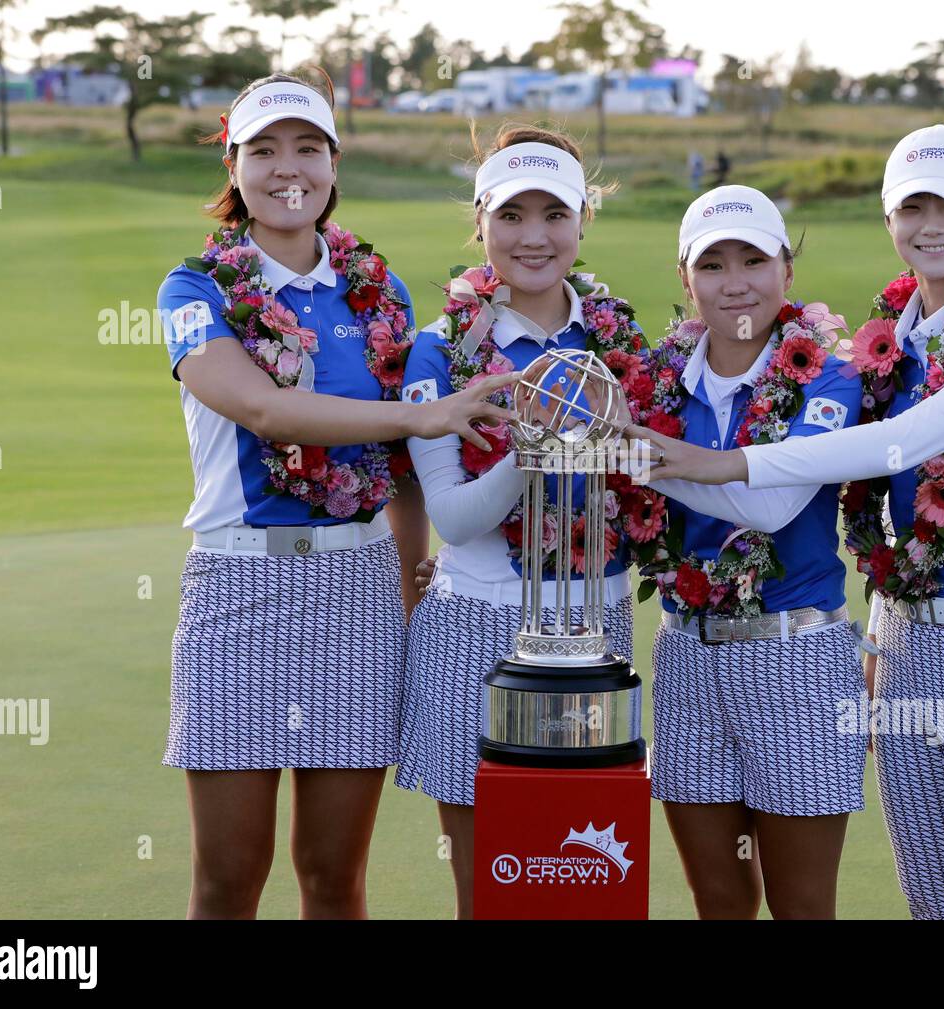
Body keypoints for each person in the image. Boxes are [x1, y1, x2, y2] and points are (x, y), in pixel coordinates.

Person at [631, 125, 944, 920]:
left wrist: (713, 462)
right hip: (906, 642)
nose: (931, 223)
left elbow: (905, 440)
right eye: (913, 204)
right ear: (889, 221)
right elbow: (879, 498)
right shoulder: (894, 345)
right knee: (934, 900)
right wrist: (880, 631)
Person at [157, 68, 516, 920]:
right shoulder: (194, 290)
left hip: (357, 590)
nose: (290, 168)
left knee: (332, 875)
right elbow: (257, 405)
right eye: (265, 150)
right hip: (237, 587)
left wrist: (410, 572)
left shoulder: (378, 292)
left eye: (308, 148)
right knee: (228, 877)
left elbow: (395, 468)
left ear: (333, 162)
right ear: (235, 169)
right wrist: (420, 417)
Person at [396, 123, 642, 919]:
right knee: (492, 891)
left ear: (582, 222)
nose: (533, 237)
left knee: (587, 880)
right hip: (473, 626)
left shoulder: (620, 342)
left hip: (595, 628)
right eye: (511, 216)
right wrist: (539, 442)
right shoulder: (441, 352)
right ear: (481, 222)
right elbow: (458, 518)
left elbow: (650, 486)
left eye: (554, 215)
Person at [613, 185, 866, 919]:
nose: (736, 282)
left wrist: (653, 459)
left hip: (797, 661)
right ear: (686, 279)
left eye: (754, 259)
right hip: (687, 655)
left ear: (787, 270)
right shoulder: (659, 380)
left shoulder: (828, 376)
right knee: (719, 898)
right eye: (713, 264)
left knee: (802, 904)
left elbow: (773, 505)